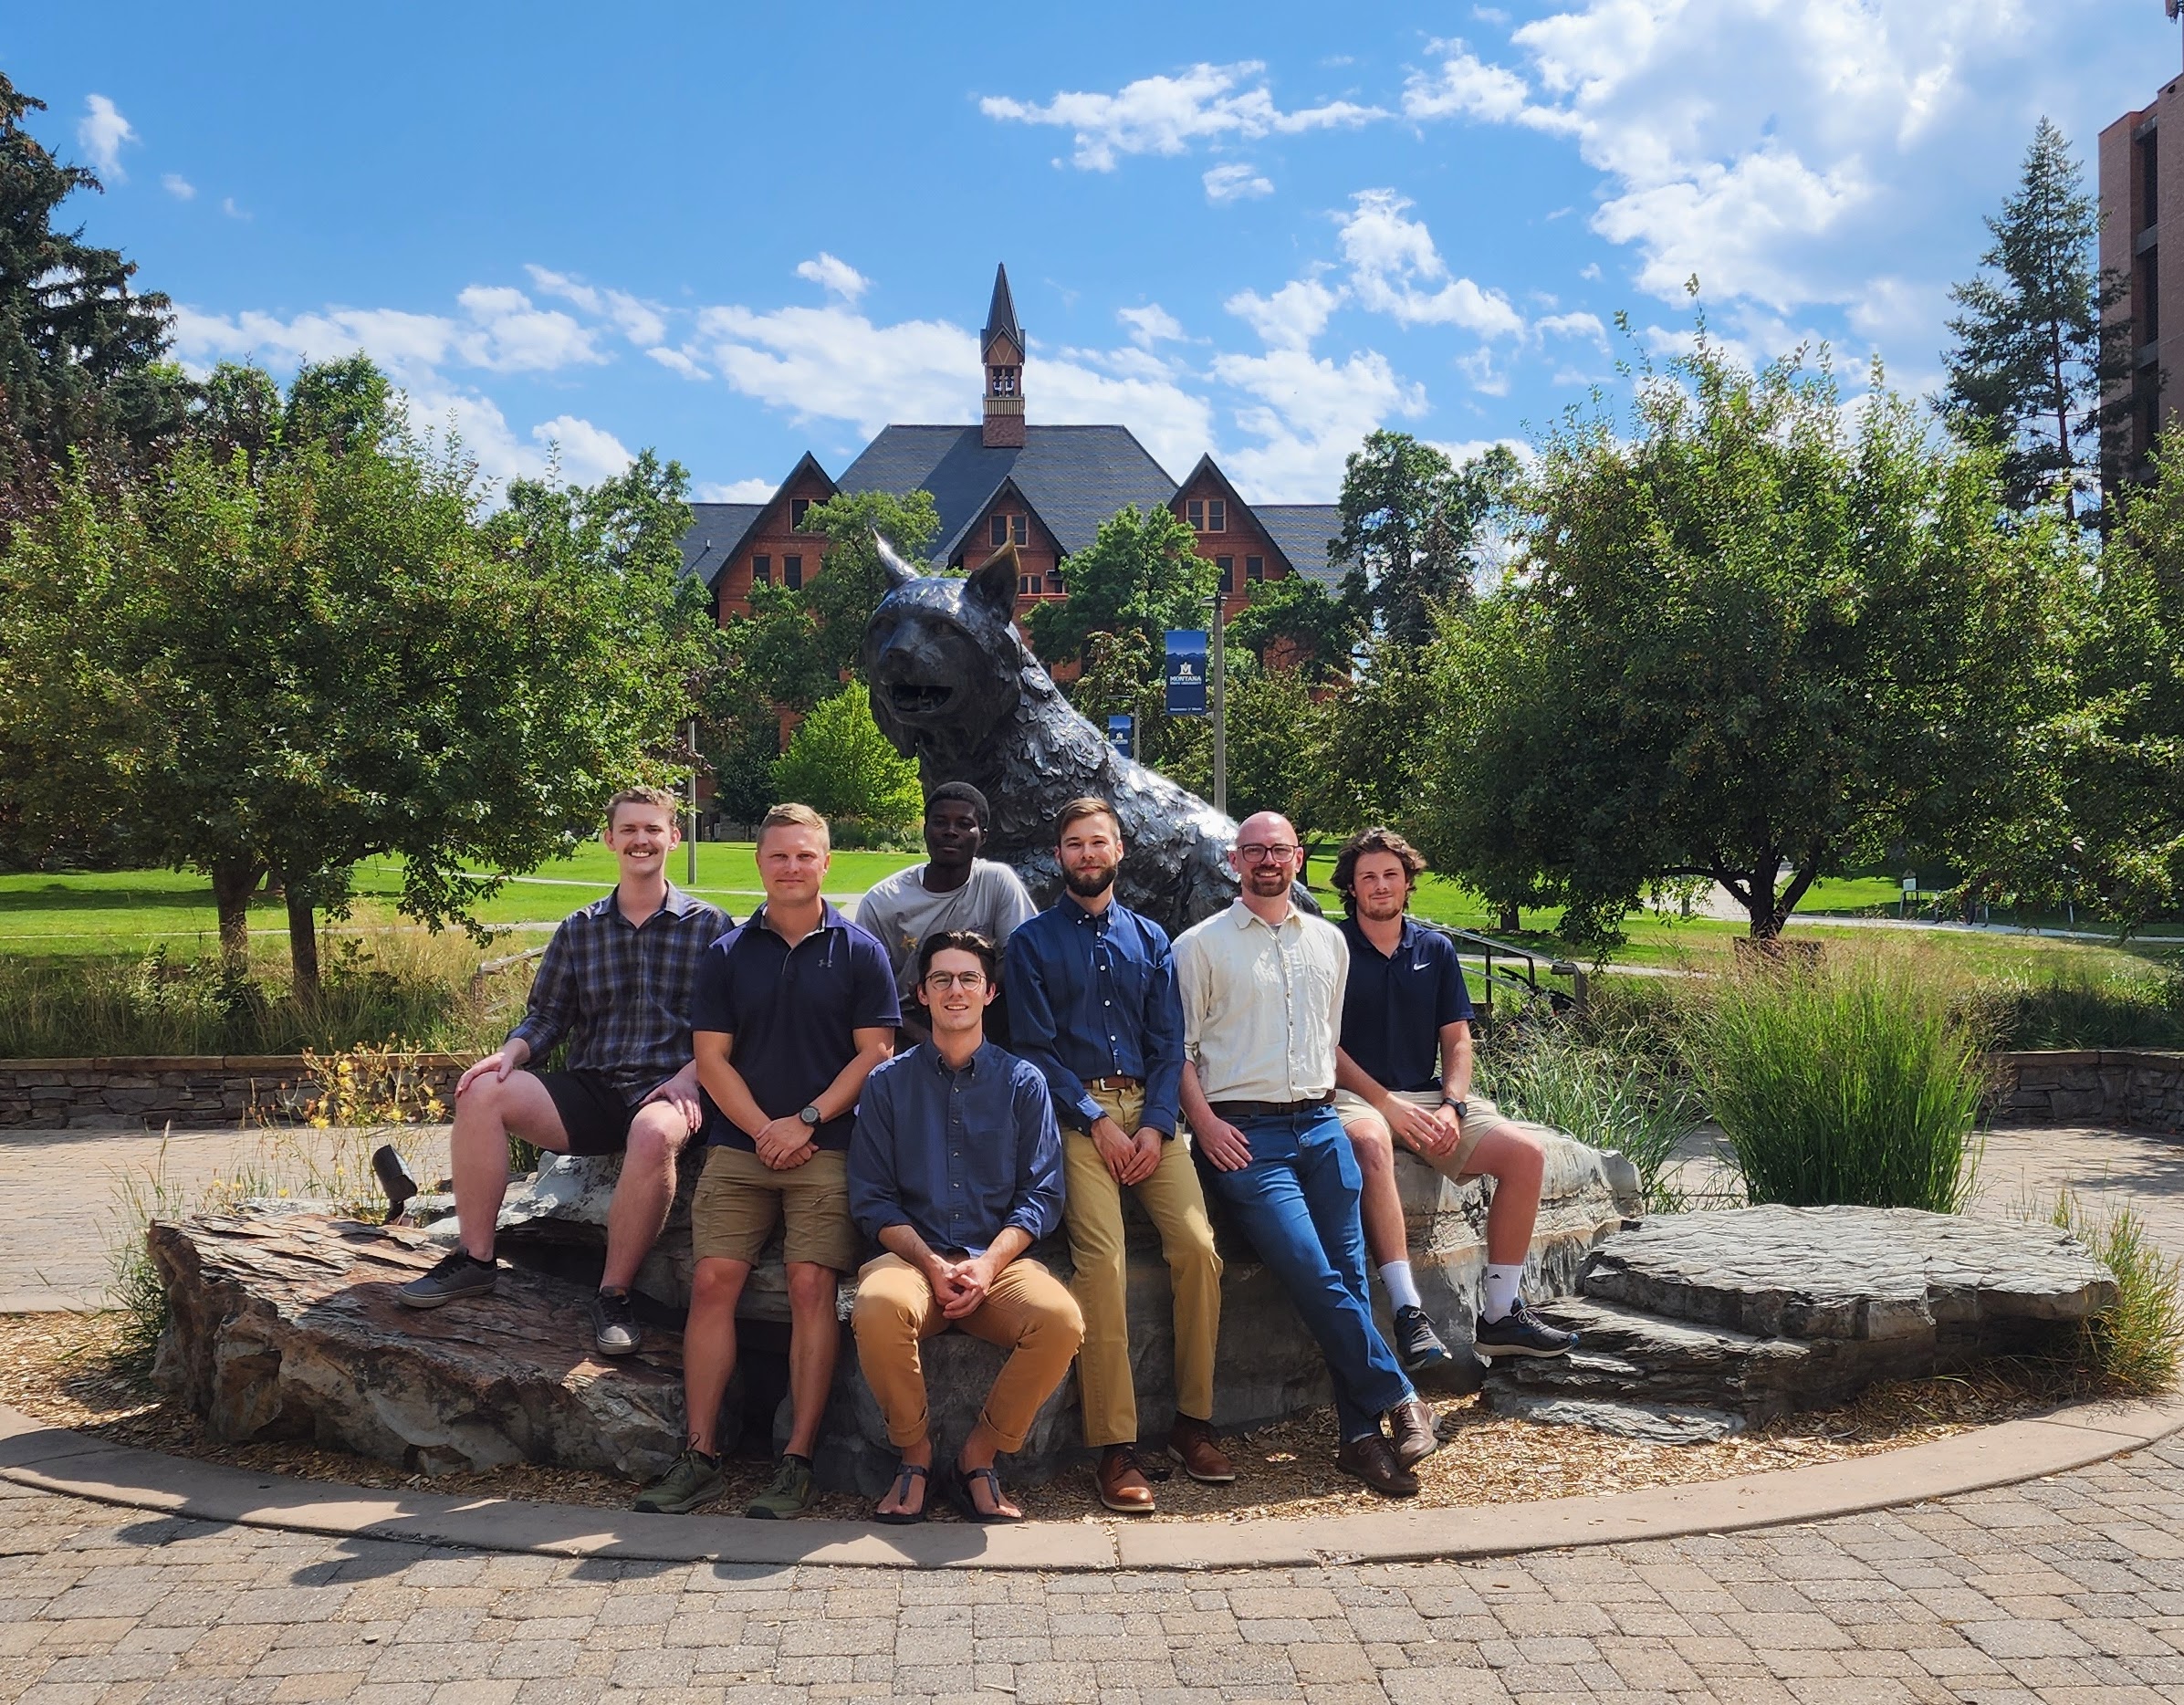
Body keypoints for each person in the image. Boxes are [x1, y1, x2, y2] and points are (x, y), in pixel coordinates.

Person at [632, 803, 899, 1518]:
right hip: (740, 1145)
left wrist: (804, 1120)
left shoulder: (861, 951)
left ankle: (796, 1461)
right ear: (759, 864)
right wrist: (763, 1130)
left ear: (826, 863)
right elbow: (710, 1059)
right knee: (713, 1280)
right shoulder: (726, 953)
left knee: (812, 1286)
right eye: (778, 855)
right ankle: (700, 1455)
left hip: (827, 1145)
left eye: (804, 855)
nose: (791, 867)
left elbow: (875, 1051)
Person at [398, 787, 727, 1359]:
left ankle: (614, 1295)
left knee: (653, 1134)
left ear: (674, 837)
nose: (641, 840)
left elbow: (734, 1023)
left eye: (653, 829)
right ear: (610, 840)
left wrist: (692, 1075)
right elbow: (548, 1015)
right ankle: (476, 1260)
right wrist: (512, 1053)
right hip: (593, 1089)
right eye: (629, 830)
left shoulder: (710, 926)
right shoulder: (581, 928)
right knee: (482, 1091)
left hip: (670, 1090)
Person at [1175, 812, 1437, 1498]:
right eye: (1254, 851)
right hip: (1245, 1137)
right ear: (1234, 861)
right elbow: (1178, 1051)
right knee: (1312, 1272)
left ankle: (1358, 1440)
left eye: (1280, 850)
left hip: (1320, 1127)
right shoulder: (1198, 947)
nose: (1268, 861)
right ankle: (1401, 1396)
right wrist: (1204, 1124)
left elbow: (1327, 1039)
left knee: (1349, 1278)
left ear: (1297, 860)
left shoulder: (1328, 942)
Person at [1006, 797, 1231, 1513]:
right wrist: (1096, 1123)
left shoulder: (1150, 938)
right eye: (1074, 843)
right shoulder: (1031, 943)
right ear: (1058, 856)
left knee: (1197, 1249)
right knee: (1101, 1265)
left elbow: (1168, 1044)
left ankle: (1192, 1422)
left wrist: (1156, 1125)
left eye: (1097, 842)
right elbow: (1033, 1048)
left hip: (1151, 1117)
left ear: (1119, 851)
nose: (1086, 854)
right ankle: (1115, 1445)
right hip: (1077, 1119)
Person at [847, 930, 1082, 1524]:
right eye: (942, 979)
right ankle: (915, 1455)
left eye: (969, 979)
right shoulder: (887, 1084)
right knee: (876, 1305)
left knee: (1060, 1320)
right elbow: (872, 1200)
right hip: (911, 1261)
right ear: (922, 994)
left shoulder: (1023, 1083)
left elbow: (1041, 1195)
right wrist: (931, 1264)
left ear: (990, 992)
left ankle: (978, 1457)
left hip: (996, 1265)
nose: (956, 990)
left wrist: (987, 1265)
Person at [1331, 827, 1579, 1369]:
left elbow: (1458, 1039)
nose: (1380, 886)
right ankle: (1409, 1314)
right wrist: (1387, 1105)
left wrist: (1452, 1104)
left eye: (1390, 875)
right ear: (1350, 886)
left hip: (1427, 1096)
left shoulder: (1435, 949)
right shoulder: (1330, 947)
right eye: (1368, 877)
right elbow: (1324, 1047)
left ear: (1408, 882)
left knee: (1526, 1154)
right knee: (1370, 1144)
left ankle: (1500, 1315)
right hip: (1353, 1095)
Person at [855, 783, 1035, 1045]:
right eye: (940, 822)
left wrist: (968, 987)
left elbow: (1022, 954)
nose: (951, 831)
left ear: (983, 837)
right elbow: (867, 991)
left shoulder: (995, 881)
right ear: (925, 830)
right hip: (908, 1021)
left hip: (978, 1012)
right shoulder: (882, 902)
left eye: (964, 824)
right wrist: (929, 1042)